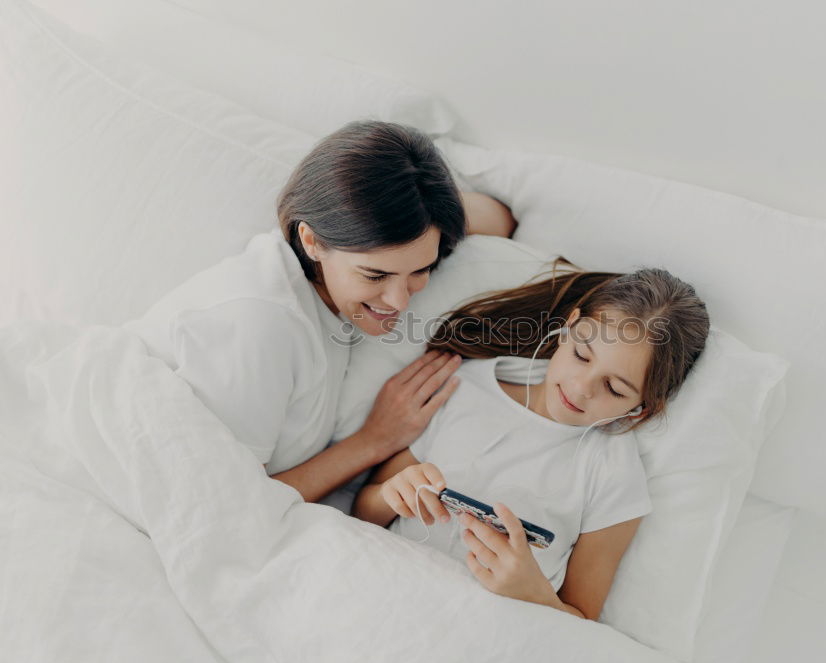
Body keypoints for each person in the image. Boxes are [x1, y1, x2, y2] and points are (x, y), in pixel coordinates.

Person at [125, 120, 516, 503]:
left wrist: (421, 200)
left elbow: (501, 219)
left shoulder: (335, 276)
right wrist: (375, 440)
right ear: (311, 240)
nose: (399, 301)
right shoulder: (262, 324)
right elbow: (235, 508)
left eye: (421, 270)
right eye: (375, 275)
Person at [351, 266, 710, 620]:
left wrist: (532, 591)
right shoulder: (465, 387)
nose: (582, 387)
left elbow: (581, 619)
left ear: (642, 408)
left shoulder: (614, 473)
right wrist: (391, 495)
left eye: (614, 389)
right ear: (568, 327)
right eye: (582, 355)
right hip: (384, 591)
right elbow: (363, 510)